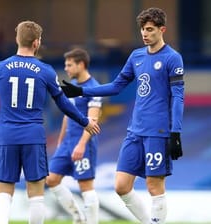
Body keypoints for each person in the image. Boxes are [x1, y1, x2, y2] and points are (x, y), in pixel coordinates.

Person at [60, 7, 184, 224]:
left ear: (161, 29)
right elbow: (116, 86)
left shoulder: (172, 58)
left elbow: (178, 97)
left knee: (154, 185)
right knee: (121, 186)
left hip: (159, 131)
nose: (145, 34)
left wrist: (175, 133)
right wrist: (82, 91)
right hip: (135, 130)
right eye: (142, 30)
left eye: (149, 29)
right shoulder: (136, 56)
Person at [0, 21, 100, 224]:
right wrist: (84, 121)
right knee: (36, 195)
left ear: (17, 39)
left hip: (7, 135)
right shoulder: (45, 71)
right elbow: (63, 103)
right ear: (37, 42)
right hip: (33, 137)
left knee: (4, 192)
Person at [46, 48, 102, 224]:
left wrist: (81, 144)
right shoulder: (72, 88)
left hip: (83, 143)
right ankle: (78, 216)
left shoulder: (94, 88)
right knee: (52, 179)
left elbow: (92, 119)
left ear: (81, 64)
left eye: (69, 65)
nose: (67, 69)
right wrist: (61, 140)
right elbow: (67, 115)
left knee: (85, 185)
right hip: (67, 142)